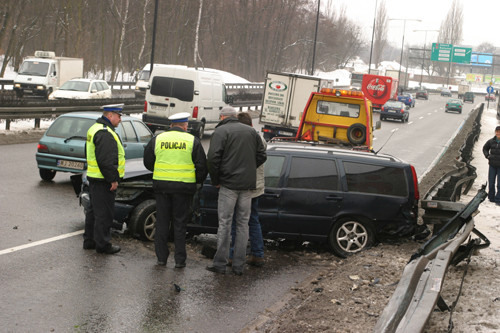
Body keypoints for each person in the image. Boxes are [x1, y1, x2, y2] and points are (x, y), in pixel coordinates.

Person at [206, 107, 267, 275]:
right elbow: (262, 155)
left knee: (225, 223)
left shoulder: (221, 131)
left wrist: (216, 179)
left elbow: (212, 158)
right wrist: (248, 169)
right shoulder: (251, 132)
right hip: (247, 186)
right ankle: (239, 265)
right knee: (243, 224)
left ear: (223, 117)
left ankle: (220, 264)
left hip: (228, 185)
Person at [143, 112, 207, 268]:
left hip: (162, 187)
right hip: (184, 188)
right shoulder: (192, 141)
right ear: (185, 126)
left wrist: (161, 171)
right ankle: (179, 260)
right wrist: (195, 181)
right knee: (180, 224)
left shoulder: (157, 139)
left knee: (162, 223)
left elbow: (148, 162)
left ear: (170, 126)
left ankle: (161, 258)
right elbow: (202, 167)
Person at [83, 104, 125, 254]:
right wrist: (113, 179)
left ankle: (89, 241)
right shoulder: (105, 132)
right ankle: (103, 244)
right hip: (103, 180)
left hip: (94, 177)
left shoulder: (94, 128)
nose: (120, 119)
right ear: (110, 116)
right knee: (104, 214)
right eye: (119, 116)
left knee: (93, 211)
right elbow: (106, 161)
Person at [229, 112, 266, 267]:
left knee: (236, 221)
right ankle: (257, 254)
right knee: (253, 220)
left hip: (244, 186)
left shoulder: (244, 138)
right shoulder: (261, 138)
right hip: (256, 186)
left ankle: (233, 255)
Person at [483, 125, 500, 204]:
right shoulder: (491, 141)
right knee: (491, 182)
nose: (498, 133)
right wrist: (487, 156)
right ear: (495, 132)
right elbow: (485, 148)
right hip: (492, 165)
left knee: (499, 184)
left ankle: (498, 200)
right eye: (497, 132)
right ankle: (491, 198)